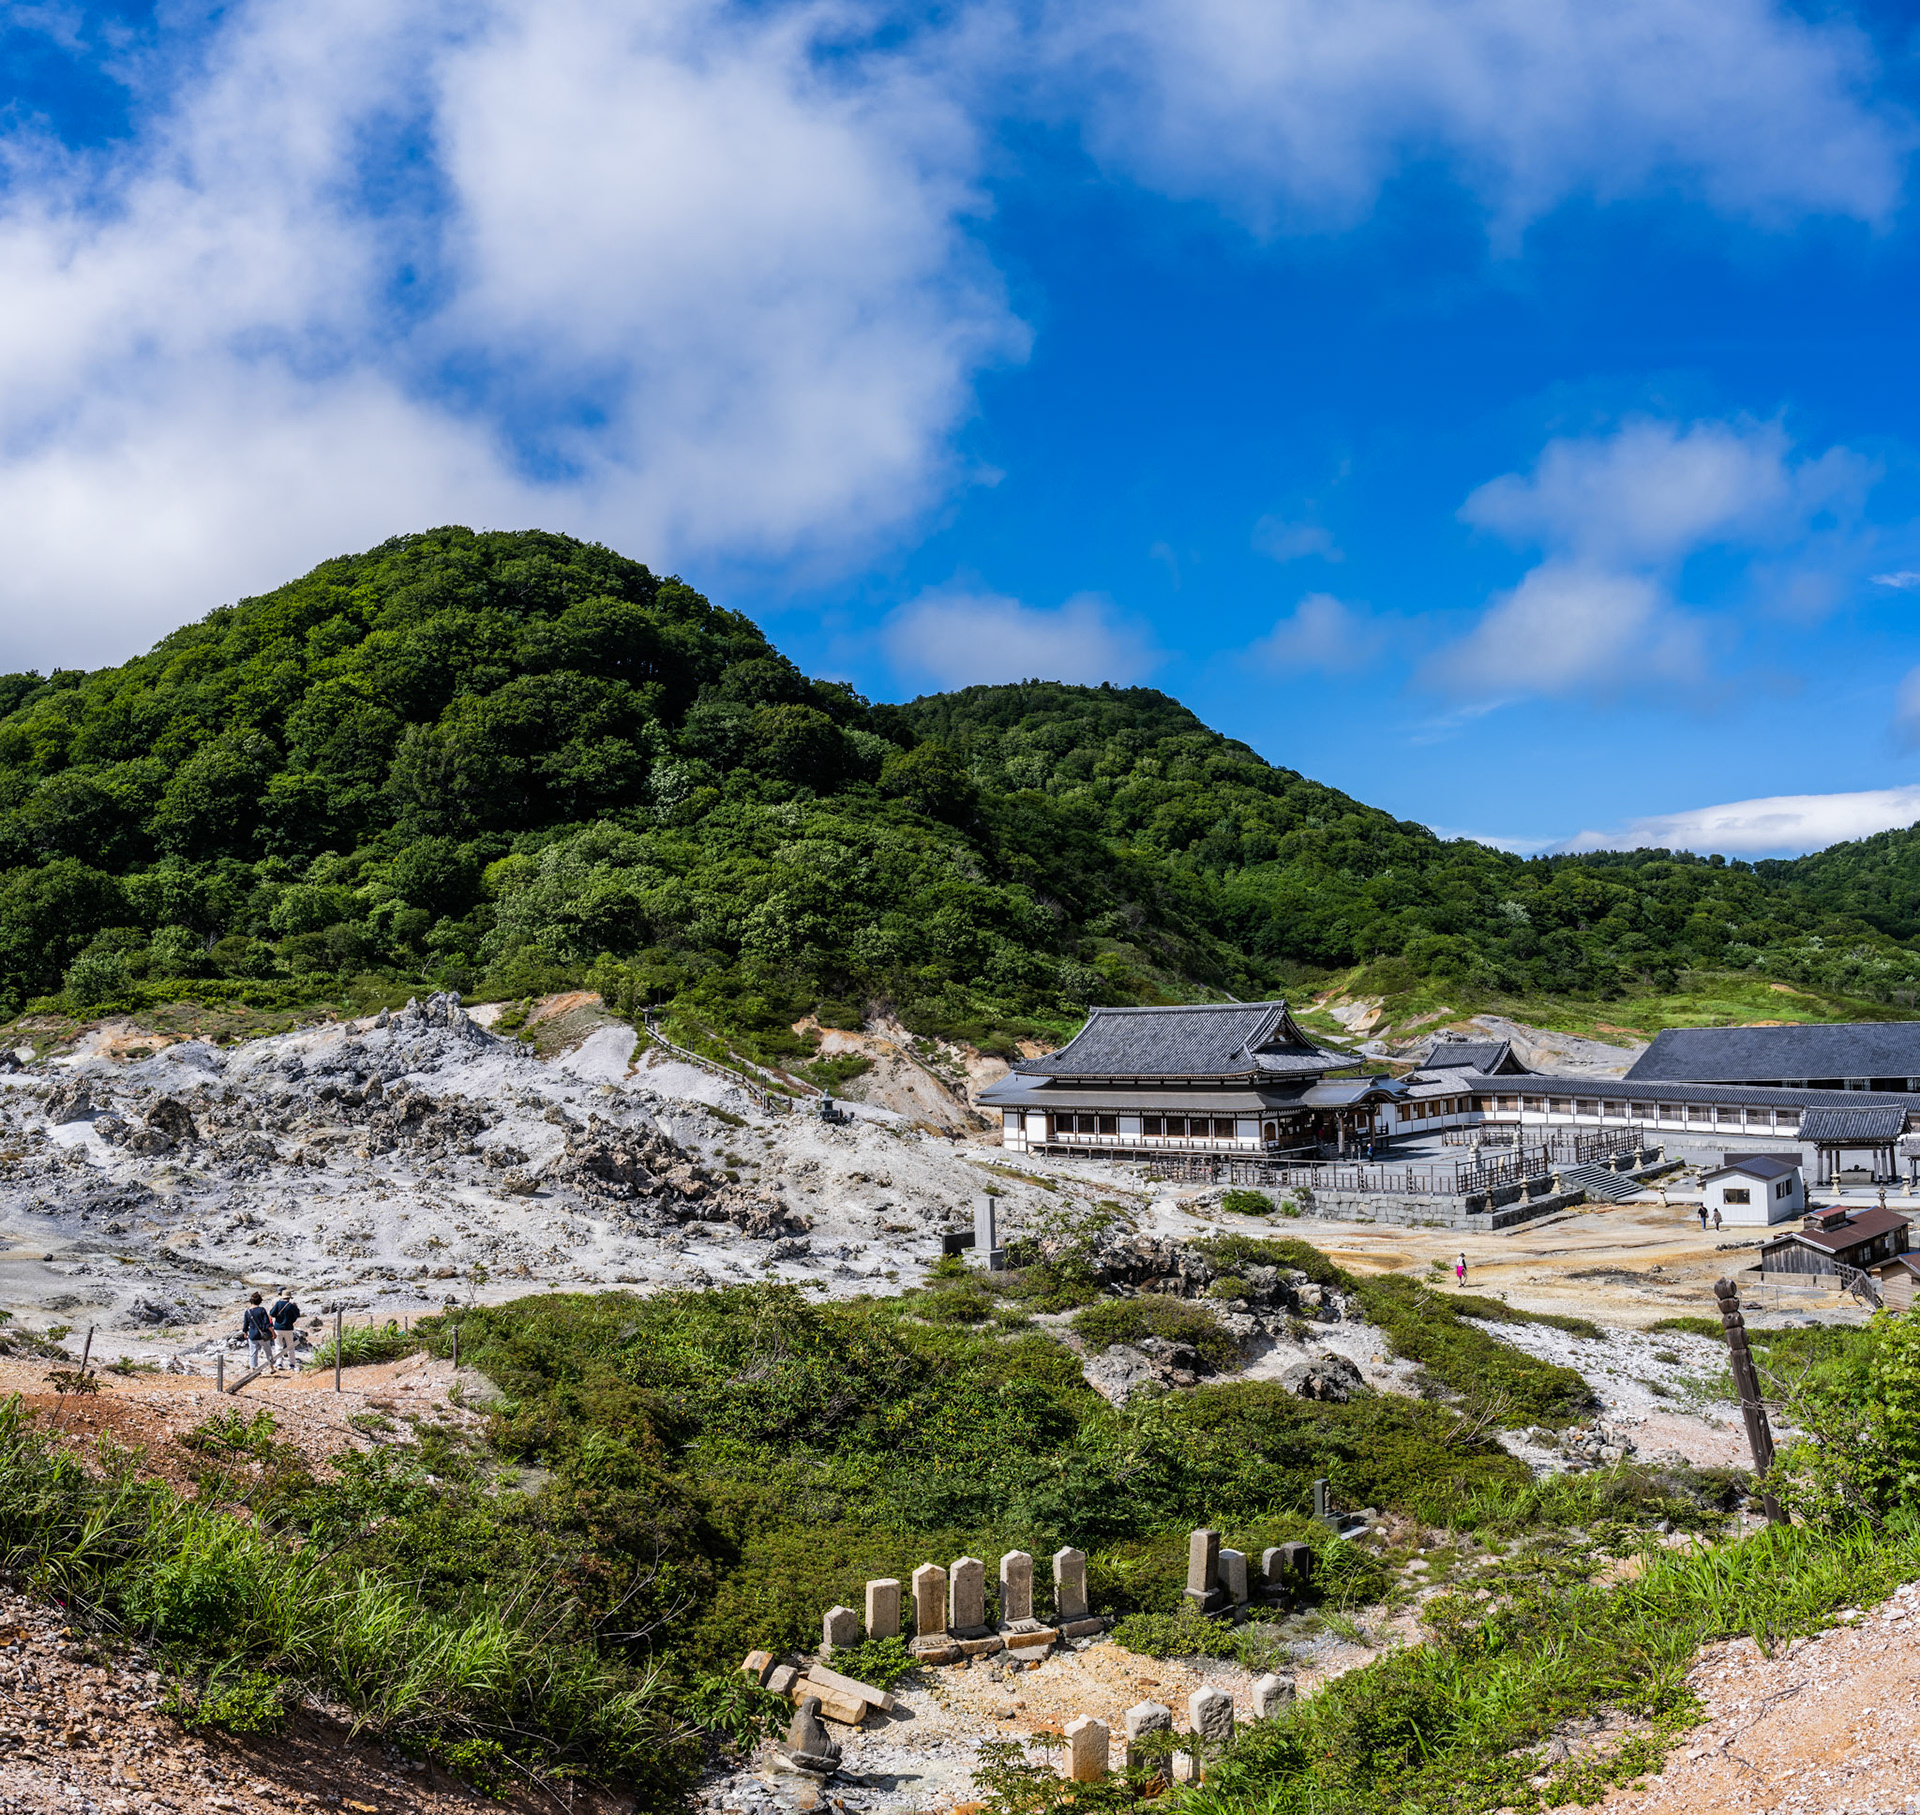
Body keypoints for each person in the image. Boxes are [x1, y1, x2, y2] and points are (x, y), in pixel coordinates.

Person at [269, 1288, 302, 1369]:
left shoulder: (278, 1304)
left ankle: (279, 1363)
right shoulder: (291, 1305)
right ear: (289, 1297)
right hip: (288, 1328)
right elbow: (297, 1315)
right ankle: (292, 1364)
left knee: (278, 1346)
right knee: (290, 1346)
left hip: (278, 1327)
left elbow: (272, 1313)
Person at [241, 1293, 273, 1370]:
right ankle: (271, 1367)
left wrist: (245, 1332)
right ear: (260, 1301)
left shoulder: (247, 1312)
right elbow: (267, 1323)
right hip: (263, 1334)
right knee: (268, 1351)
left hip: (253, 1334)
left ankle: (253, 1368)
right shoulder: (262, 1310)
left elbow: (245, 1324)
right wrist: (273, 1332)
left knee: (253, 1353)